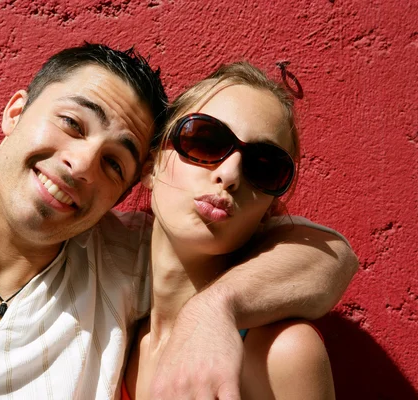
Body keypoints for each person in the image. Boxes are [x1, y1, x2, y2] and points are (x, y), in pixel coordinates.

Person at [0, 44, 357, 399]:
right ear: (15, 110)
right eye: (204, 142)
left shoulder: (114, 265)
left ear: (133, 177)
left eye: (114, 161)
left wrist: (215, 309)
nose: (80, 163)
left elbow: (333, 255)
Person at [122, 62, 340, 400]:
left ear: (268, 211)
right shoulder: (111, 334)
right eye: (205, 140)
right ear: (150, 167)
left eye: (264, 167)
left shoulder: (280, 352)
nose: (230, 174)